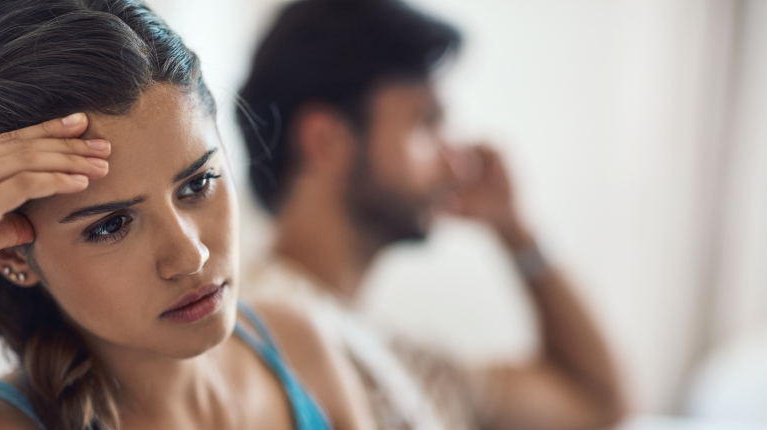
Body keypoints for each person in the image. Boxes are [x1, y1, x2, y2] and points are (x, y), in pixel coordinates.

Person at [0, 1, 375, 429]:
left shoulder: (298, 344)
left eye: (197, 184)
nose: (189, 256)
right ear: (13, 255)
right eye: (111, 225)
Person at [236, 0, 626, 429]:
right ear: (325, 140)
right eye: (426, 122)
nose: (457, 162)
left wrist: (517, 231)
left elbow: (598, 403)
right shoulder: (251, 335)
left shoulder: (406, 358)